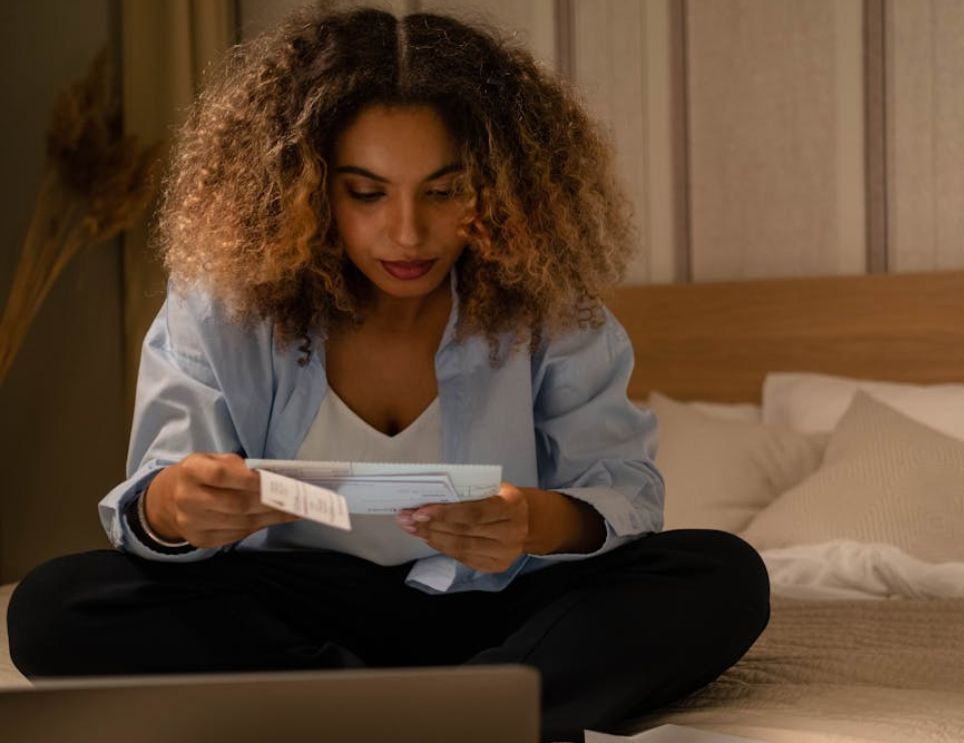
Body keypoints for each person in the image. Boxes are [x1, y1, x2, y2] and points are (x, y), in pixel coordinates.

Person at [4, 8, 769, 741]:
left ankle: (396, 717)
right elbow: (155, 500)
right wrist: (177, 506)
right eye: (365, 192)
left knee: (720, 574)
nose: (407, 231)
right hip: (295, 611)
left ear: (500, 186)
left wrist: (531, 520)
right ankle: (456, 719)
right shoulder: (220, 306)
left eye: (443, 191)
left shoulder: (552, 311)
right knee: (54, 605)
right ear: (304, 185)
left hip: (495, 606)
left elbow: (624, 493)